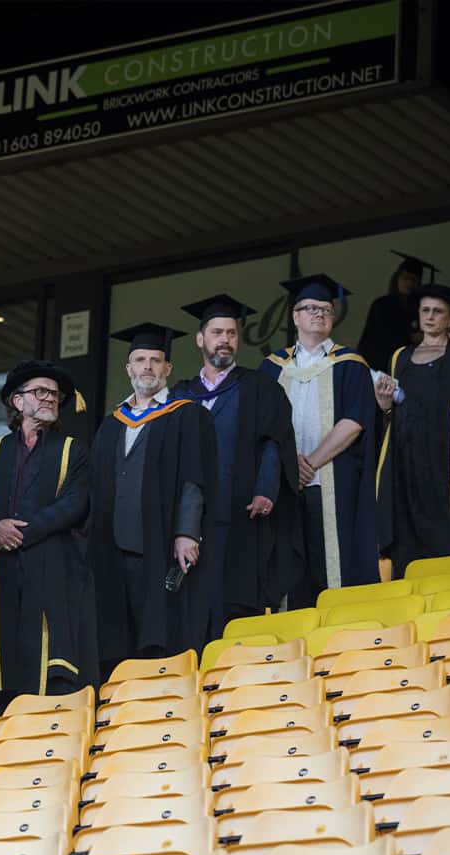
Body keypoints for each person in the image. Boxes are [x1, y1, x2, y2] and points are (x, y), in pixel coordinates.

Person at [172, 294, 302, 645]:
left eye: (231, 333)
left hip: (243, 512)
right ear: (201, 339)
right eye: (217, 332)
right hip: (193, 521)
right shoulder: (180, 394)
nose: (225, 340)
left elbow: (273, 443)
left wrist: (266, 489)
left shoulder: (259, 387)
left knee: (238, 596)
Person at [90, 324, 216, 672]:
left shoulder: (186, 414)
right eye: (140, 360)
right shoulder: (112, 423)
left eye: (155, 360)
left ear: (168, 369)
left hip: (159, 542)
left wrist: (187, 532)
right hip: (113, 545)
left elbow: (194, 478)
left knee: (159, 629)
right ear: (128, 368)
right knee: (117, 632)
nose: (147, 367)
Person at [0, 360, 96, 710]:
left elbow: (75, 504)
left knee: (46, 650)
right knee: (1, 651)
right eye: (40, 392)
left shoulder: (74, 450)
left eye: (54, 394)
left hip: (51, 561)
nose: (49, 399)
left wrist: (20, 533)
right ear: (17, 401)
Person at [260, 274, 380, 605]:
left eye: (326, 309)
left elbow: (355, 421)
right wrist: (288, 465)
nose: (319, 314)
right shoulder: (272, 368)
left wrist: (310, 462)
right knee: (289, 568)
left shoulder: (350, 364)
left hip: (330, 482)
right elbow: (260, 428)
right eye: (310, 308)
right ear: (295, 316)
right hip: (285, 487)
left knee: (331, 566)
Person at [375, 284, 450, 576]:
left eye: (437, 312)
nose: (429, 317)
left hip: (443, 458)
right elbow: (389, 413)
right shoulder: (399, 357)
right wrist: (384, 404)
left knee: (445, 532)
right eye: (425, 310)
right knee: (405, 530)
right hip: (405, 456)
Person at [359, 251, 436, 373]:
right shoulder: (382, 305)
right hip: (381, 366)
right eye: (405, 278)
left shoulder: (420, 308)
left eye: (414, 280)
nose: (409, 283)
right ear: (397, 279)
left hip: (409, 369)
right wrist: (410, 338)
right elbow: (380, 338)